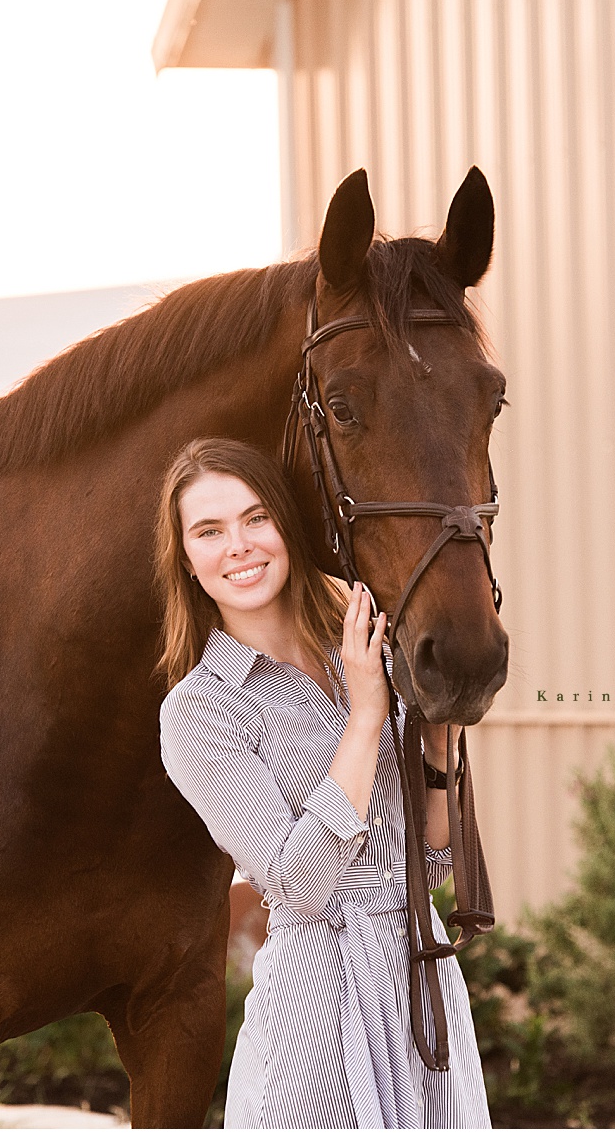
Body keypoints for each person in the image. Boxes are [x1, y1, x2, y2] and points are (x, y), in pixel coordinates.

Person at [154, 436, 490, 1129]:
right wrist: (367, 717)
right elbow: (299, 884)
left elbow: (432, 862)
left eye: (255, 519)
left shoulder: (364, 648)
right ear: (186, 559)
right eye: (209, 531)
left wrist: (439, 732)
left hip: (420, 977)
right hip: (321, 995)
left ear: (286, 525)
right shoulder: (200, 710)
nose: (239, 545)